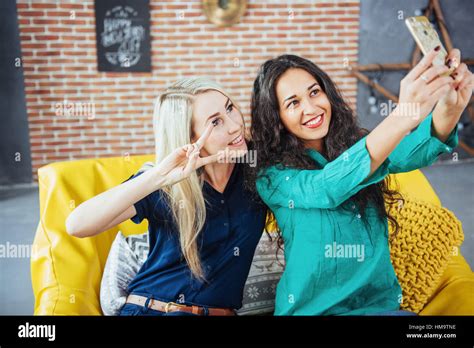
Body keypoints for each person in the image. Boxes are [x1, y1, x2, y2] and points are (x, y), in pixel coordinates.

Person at [248, 48, 472, 315]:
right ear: (276, 119)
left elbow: (412, 150)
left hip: (379, 309)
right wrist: (402, 116)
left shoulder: (357, 146)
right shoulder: (272, 176)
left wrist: (451, 107)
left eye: (314, 92)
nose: (311, 107)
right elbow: (327, 186)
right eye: (293, 103)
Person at [66, 77, 266, 316]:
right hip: (149, 308)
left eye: (230, 107)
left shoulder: (258, 165)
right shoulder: (166, 182)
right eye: (215, 122)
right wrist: (159, 175)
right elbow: (77, 224)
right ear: (190, 138)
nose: (235, 125)